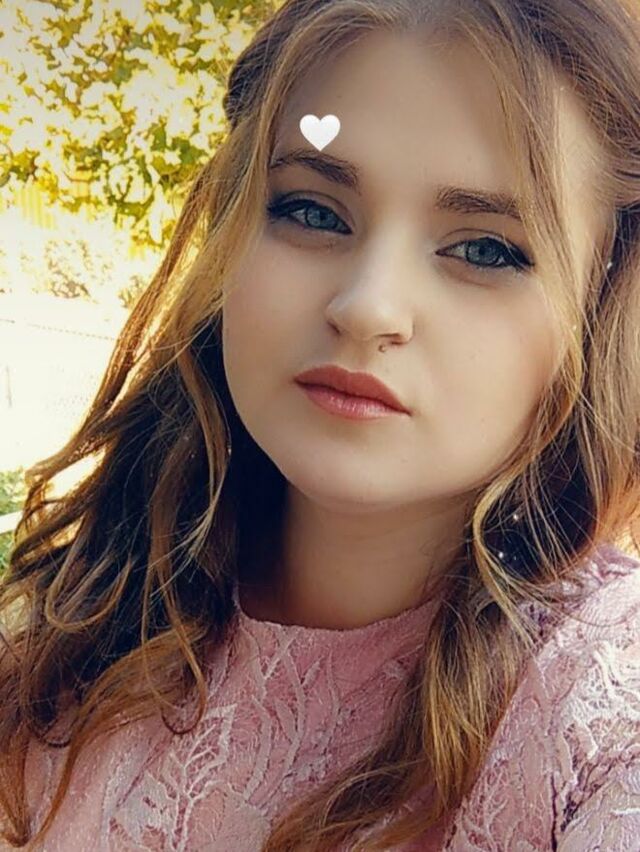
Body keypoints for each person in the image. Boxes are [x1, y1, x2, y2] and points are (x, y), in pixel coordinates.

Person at [0, 0, 639, 848]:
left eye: (485, 249)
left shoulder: (606, 714)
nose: (367, 306)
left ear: (601, 307)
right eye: (312, 210)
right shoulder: (67, 641)